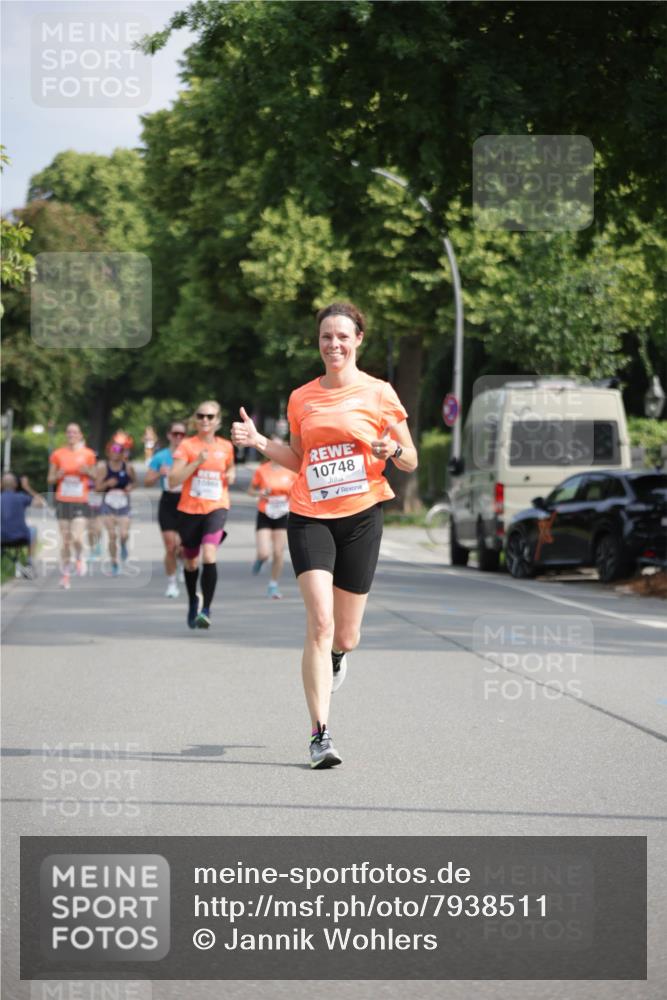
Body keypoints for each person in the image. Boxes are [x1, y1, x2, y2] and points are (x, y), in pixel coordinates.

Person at [232, 301, 418, 769]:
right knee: (319, 621)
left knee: (346, 635)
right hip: (309, 514)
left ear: (358, 340)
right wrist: (258, 443)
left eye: (341, 336)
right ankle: (320, 734)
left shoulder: (380, 394)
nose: (332, 345)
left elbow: (411, 458)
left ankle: (338, 656)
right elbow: (300, 461)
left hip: (361, 516)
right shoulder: (301, 398)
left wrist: (392, 447)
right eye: (325, 338)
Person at [169, 401, 235, 629]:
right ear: (195, 419)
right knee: (190, 561)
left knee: (209, 554)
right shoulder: (186, 446)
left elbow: (230, 467)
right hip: (189, 510)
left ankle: (206, 609)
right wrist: (196, 462)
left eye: (210, 416)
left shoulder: (226, 446)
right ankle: (192, 601)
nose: (205, 420)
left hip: (217, 506)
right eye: (201, 416)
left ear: (218, 421)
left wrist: (231, 474)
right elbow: (173, 479)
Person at [47, 423, 97, 589]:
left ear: (80, 435)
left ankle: (80, 557)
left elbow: (96, 476)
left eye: (75, 432)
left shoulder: (88, 454)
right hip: (62, 499)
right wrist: (58, 475)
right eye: (69, 432)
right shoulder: (58, 454)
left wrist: (87, 472)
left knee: (76, 537)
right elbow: (49, 479)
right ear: (66, 434)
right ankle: (65, 575)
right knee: (66, 541)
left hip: (80, 500)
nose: (71, 434)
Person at [248, 436, 297, 599]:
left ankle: (273, 585)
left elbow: (299, 490)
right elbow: (251, 491)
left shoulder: (290, 470)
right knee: (264, 553)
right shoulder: (262, 470)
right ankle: (260, 560)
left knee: (278, 552)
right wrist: (260, 493)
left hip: (283, 513)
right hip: (265, 513)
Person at [145, 421, 187, 598]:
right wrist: (158, 473)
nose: (178, 437)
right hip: (168, 502)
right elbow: (147, 482)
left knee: (183, 547)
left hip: (187, 502)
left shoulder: (191, 454)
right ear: (169, 435)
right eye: (175, 434)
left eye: (182, 434)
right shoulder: (160, 456)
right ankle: (171, 584)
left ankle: (183, 563)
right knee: (171, 546)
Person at [94, 440, 136, 576]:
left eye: (118, 450)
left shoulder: (128, 467)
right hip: (108, 505)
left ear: (123, 453)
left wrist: (130, 487)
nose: (115, 453)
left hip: (123, 504)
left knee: (123, 534)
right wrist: (107, 483)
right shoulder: (103, 467)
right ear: (108, 452)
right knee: (112, 535)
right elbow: (97, 489)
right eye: (112, 450)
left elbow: (135, 482)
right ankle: (114, 563)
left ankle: (123, 545)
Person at [1, 473, 46, 577]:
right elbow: (42, 503)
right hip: (21, 537)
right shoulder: (21, 497)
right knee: (33, 530)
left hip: (1, 538)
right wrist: (27, 487)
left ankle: (18, 564)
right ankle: (29, 562)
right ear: (16, 485)